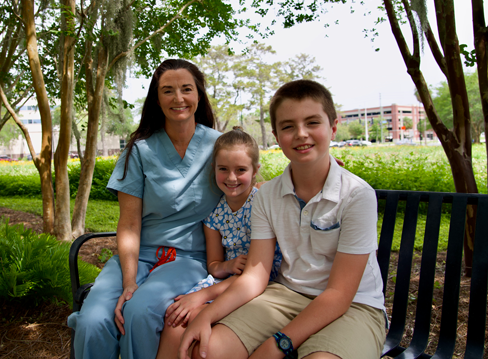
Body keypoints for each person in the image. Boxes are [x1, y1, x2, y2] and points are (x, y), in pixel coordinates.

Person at [178, 80, 386, 359]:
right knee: (208, 350)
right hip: (285, 296)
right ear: (276, 135)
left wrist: (279, 343)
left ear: (333, 127)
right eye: (288, 126)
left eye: (312, 122)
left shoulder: (357, 196)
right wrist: (207, 315)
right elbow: (254, 275)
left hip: (354, 306)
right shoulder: (267, 196)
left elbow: (339, 294)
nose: (301, 134)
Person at [67, 59, 223, 359]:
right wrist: (128, 282)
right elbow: (128, 224)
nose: (178, 98)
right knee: (92, 320)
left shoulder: (219, 145)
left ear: (199, 95)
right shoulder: (139, 149)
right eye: (168, 91)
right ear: (156, 98)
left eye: (186, 89)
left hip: (189, 259)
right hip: (138, 256)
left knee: (140, 312)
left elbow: (249, 184)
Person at [155, 127, 282, 359]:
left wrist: (203, 296)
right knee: (175, 319)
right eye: (223, 169)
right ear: (213, 169)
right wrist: (227, 265)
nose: (231, 178)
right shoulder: (214, 214)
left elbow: (255, 275)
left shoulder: (263, 201)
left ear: (255, 171)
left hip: (260, 280)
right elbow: (214, 263)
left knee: (193, 317)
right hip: (226, 279)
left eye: (241, 170)